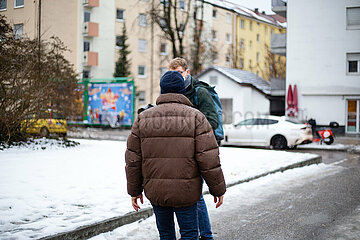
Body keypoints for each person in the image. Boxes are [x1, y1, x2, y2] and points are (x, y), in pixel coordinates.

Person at [125, 71, 226, 240]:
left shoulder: (143, 118)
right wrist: (217, 189)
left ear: (162, 90)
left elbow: (133, 159)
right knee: (189, 234)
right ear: (182, 90)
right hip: (186, 191)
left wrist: (134, 191)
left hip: (156, 191)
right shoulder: (196, 117)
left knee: (165, 235)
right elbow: (208, 158)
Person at [168, 57, 218, 240]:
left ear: (187, 72)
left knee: (195, 195)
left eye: (179, 72)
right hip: (182, 152)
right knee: (191, 194)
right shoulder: (173, 90)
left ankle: (205, 235)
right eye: (172, 73)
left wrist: (190, 129)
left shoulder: (199, 92)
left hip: (200, 150)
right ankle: (198, 234)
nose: (176, 77)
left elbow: (213, 122)